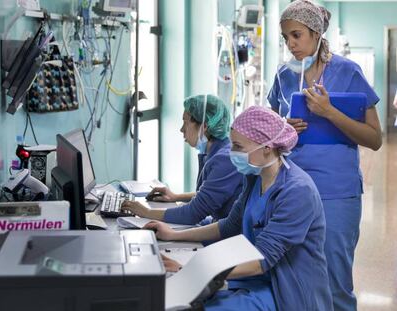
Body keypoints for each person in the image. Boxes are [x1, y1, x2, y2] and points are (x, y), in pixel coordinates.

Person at [145, 106, 333, 311]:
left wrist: (191, 270)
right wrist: (173, 235)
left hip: (286, 289)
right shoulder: (254, 177)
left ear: (267, 147)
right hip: (253, 278)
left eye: (238, 146)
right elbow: (228, 226)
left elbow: (262, 258)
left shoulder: (297, 191)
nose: (232, 152)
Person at [267, 1, 382, 310]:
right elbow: (271, 136)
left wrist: (329, 112)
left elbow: (375, 138)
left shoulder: (348, 72)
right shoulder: (283, 76)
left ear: (316, 33)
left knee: (335, 282)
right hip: (292, 188)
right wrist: (283, 127)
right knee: (294, 276)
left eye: (296, 35)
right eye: (285, 38)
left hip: (336, 191)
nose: (291, 45)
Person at [122, 94, 243, 225]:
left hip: (229, 235)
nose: (181, 129)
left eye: (185, 123)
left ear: (204, 126)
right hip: (217, 222)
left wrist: (146, 212)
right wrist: (175, 197)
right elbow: (206, 195)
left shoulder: (225, 160)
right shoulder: (216, 152)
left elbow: (194, 213)